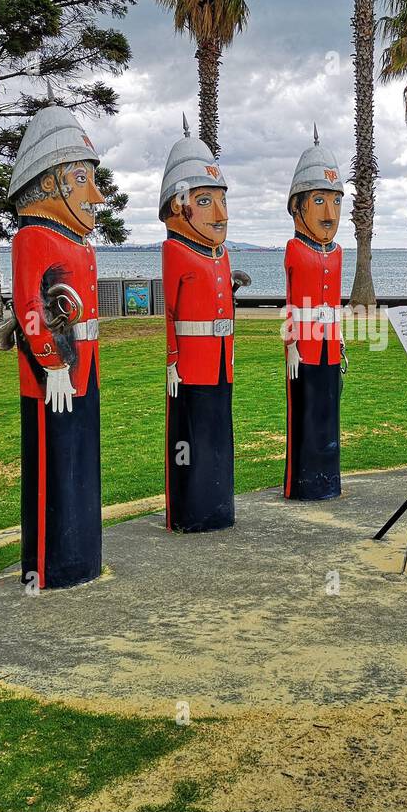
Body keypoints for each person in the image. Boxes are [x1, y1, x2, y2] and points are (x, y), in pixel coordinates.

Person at [0, 106, 104, 589]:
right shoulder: (32, 237)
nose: (96, 195)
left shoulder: (80, 243)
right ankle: (49, 564)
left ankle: (81, 555)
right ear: (49, 183)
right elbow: (29, 308)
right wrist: (52, 363)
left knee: (82, 459)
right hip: (55, 374)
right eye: (81, 178)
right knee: (53, 462)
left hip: (86, 369)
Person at [161, 116, 236, 533]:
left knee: (218, 434)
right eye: (205, 201)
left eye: (222, 199)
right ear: (179, 203)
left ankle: (218, 503)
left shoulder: (220, 254)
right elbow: (170, 311)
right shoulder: (176, 251)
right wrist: (173, 358)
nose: (221, 213)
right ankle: (193, 510)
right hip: (191, 363)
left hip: (221, 360)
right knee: (191, 433)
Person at [282, 125, 345, 501]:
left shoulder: (336, 252)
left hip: (328, 343)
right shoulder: (295, 249)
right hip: (304, 345)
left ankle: (328, 478)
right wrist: (290, 343)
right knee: (305, 411)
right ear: (298, 205)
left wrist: (339, 344)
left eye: (336, 201)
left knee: (329, 409)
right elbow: (291, 301)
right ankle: (304, 482)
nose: (330, 211)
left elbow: (334, 303)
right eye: (319, 200)